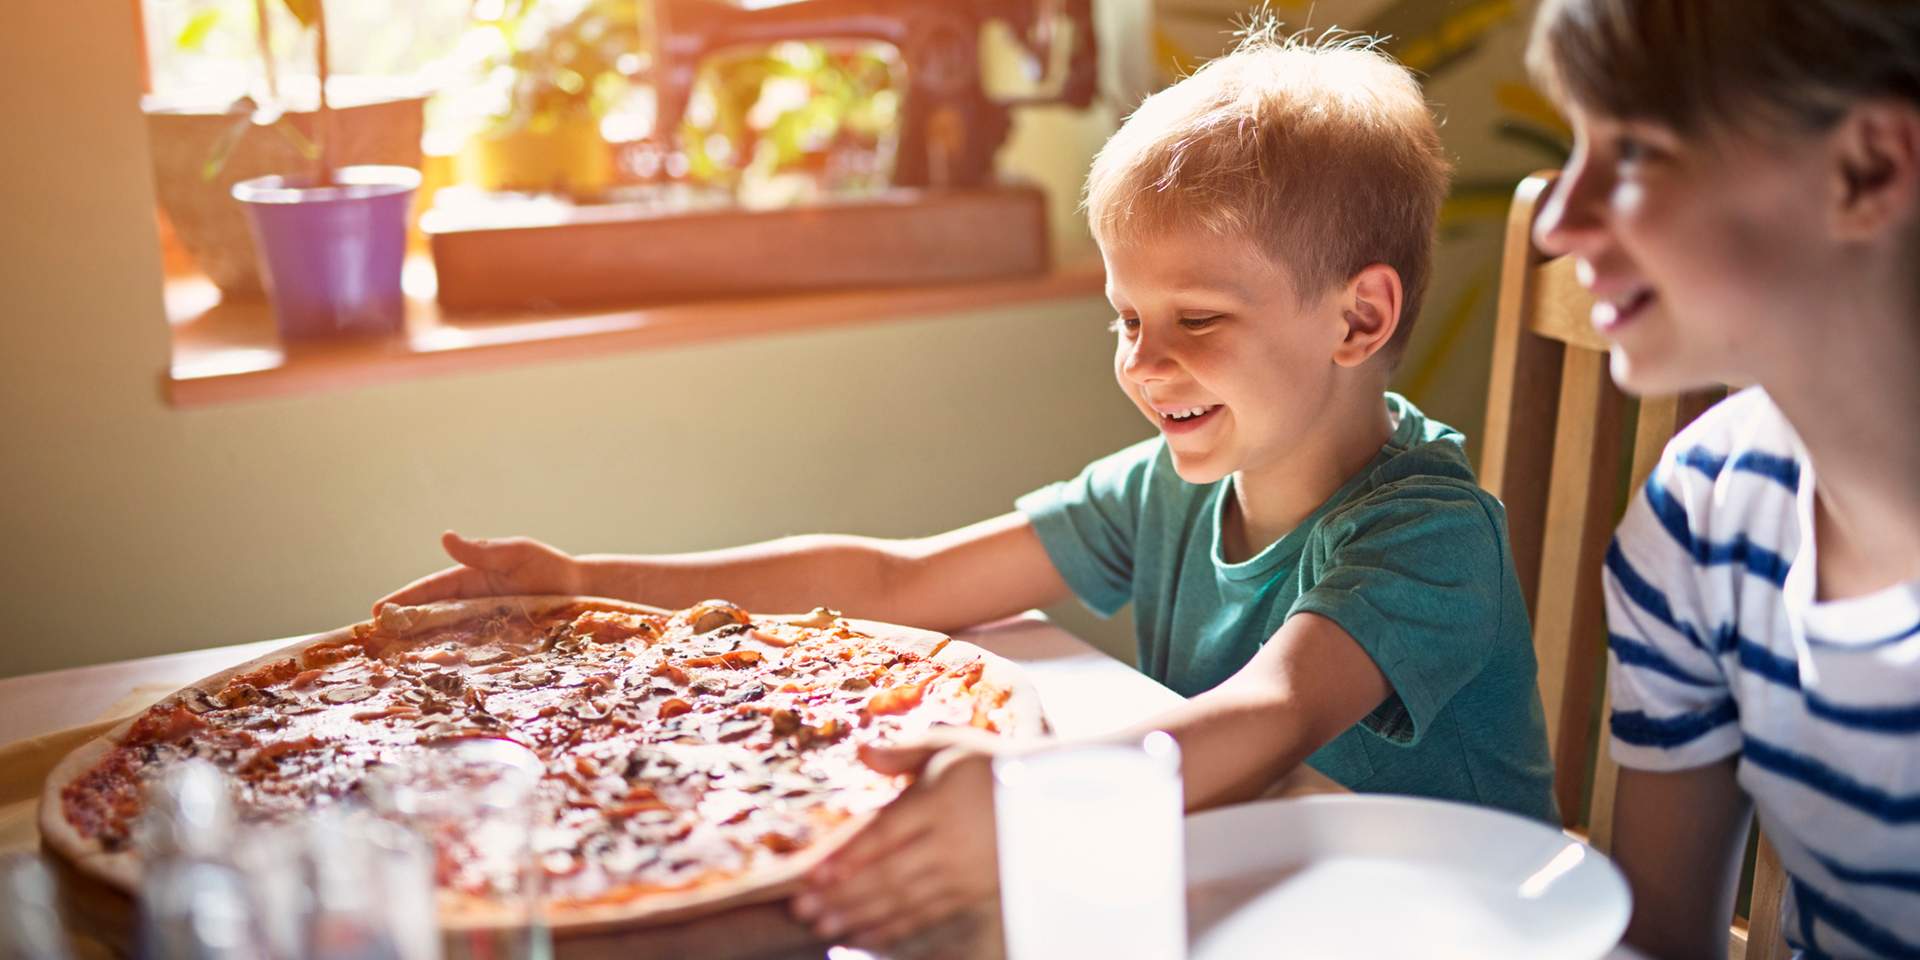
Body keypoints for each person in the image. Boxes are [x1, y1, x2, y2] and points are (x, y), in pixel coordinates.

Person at [382, 25, 1554, 947]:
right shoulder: (1168, 485)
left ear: (1360, 317)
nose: (1143, 365)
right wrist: (589, 584)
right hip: (1271, 890)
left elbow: (1272, 716)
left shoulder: (1426, 532)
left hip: (1473, 927)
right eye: (1126, 319)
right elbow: (897, 577)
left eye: (1195, 320)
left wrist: (1034, 792)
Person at [1525, 2, 1920, 956]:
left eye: (1633, 151)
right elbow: (1659, 942)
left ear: (1867, 168)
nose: (1555, 220)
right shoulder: (1697, 520)